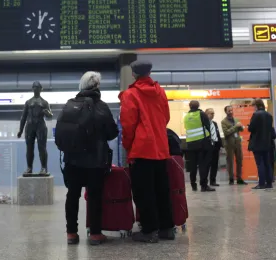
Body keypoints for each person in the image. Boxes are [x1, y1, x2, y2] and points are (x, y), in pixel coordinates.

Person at [58, 72, 118, 246]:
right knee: (94, 196)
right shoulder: (102, 107)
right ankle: (95, 234)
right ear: (97, 86)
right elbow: (112, 133)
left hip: (72, 160)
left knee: (72, 196)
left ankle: (71, 233)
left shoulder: (69, 105)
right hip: (95, 161)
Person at [119, 60, 174, 243]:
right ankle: (167, 228)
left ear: (134, 74)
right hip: (161, 148)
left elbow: (128, 125)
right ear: (149, 72)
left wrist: (128, 146)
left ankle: (149, 230)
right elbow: (166, 117)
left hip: (141, 149)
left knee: (143, 191)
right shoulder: (160, 92)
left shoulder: (130, 94)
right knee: (162, 189)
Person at [184, 101, 214, 192]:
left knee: (193, 166)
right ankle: (203, 185)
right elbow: (208, 126)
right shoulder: (201, 114)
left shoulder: (186, 117)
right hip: (202, 144)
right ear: (198, 106)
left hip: (190, 144)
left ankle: (193, 185)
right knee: (203, 165)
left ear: (189, 106)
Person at [248, 99, 274, 189]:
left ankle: (261, 183)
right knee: (267, 163)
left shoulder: (256, 115)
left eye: (253, 106)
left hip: (257, 143)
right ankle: (269, 183)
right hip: (267, 143)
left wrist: (249, 126)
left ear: (256, 105)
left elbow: (251, 128)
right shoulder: (269, 115)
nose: (253, 108)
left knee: (260, 164)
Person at [221, 106, 247, 185]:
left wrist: (241, 127)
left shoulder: (236, 119)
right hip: (229, 144)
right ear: (226, 112)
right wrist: (236, 126)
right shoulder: (223, 121)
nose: (231, 112)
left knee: (239, 160)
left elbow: (241, 130)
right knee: (230, 161)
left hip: (238, 143)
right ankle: (231, 179)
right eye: (229, 111)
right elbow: (226, 133)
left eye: (232, 110)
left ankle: (239, 178)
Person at [205, 108, 223, 187]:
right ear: (206, 114)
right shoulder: (204, 124)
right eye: (210, 113)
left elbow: (217, 134)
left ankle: (213, 180)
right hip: (208, 146)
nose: (212, 115)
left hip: (215, 146)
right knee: (207, 164)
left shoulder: (214, 123)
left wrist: (220, 145)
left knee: (215, 164)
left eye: (213, 113)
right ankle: (205, 181)